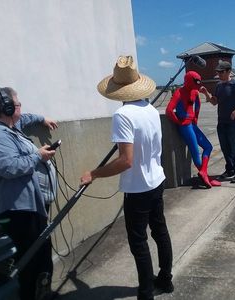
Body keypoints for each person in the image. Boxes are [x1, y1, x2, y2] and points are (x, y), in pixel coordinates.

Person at [80, 55, 173, 300]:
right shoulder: (151, 109)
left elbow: (126, 160)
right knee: (160, 231)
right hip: (157, 180)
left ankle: (145, 294)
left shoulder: (123, 116)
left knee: (138, 241)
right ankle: (165, 280)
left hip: (139, 188)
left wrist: (94, 173)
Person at [0, 87, 58, 300]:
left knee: (39, 251)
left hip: (27, 205)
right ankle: (31, 295)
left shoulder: (8, 127)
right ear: (6, 108)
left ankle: (42, 293)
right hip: (18, 209)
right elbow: (8, 167)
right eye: (17, 104)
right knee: (31, 257)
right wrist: (38, 157)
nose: (20, 107)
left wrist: (42, 118)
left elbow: (24, 118)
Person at [200, 60, 235, 184]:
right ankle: (230, 170)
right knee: (225, 148)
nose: (219, 74)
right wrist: (206, 94)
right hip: (222, 121)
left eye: (221, 72)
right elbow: (214, 102)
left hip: (233, 122)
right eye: (218, 72)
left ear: (229, 71)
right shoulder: (219, 86)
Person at [165, 70, 221, 188]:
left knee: (208, 146)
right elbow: (169, 111)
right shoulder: (179, 92)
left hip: (191, 124)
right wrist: (179, 122)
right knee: (195, 152)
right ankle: (206, 178)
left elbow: (198, 104)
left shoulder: (194, 92)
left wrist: (195, 117)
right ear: (189, 81)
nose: (197, 85)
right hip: (185, 126)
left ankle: (204, 173)